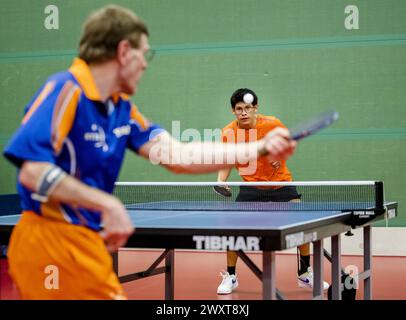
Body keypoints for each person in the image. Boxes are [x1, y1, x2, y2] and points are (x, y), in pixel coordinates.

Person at [2, 6, 296, 300]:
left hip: (88, 242)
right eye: (144, 54)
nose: (144, 64)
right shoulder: (66, 91)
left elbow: (178, 156)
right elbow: (31, 170)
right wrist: (108, 204)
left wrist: (259, 148)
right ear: (124, 51)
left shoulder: (122, 110)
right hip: (49, 242)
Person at [216, 88, 329, 295]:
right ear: (233, 111)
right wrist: (221, 181)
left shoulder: (272, 124)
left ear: (255, 108)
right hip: (251, 187)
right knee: (232, 229)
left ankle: (305, 273)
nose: (244, 112)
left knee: (302, 224)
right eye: (239, 109)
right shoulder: (228, 133)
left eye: (248, 108)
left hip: (280, 184)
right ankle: (231, 276)